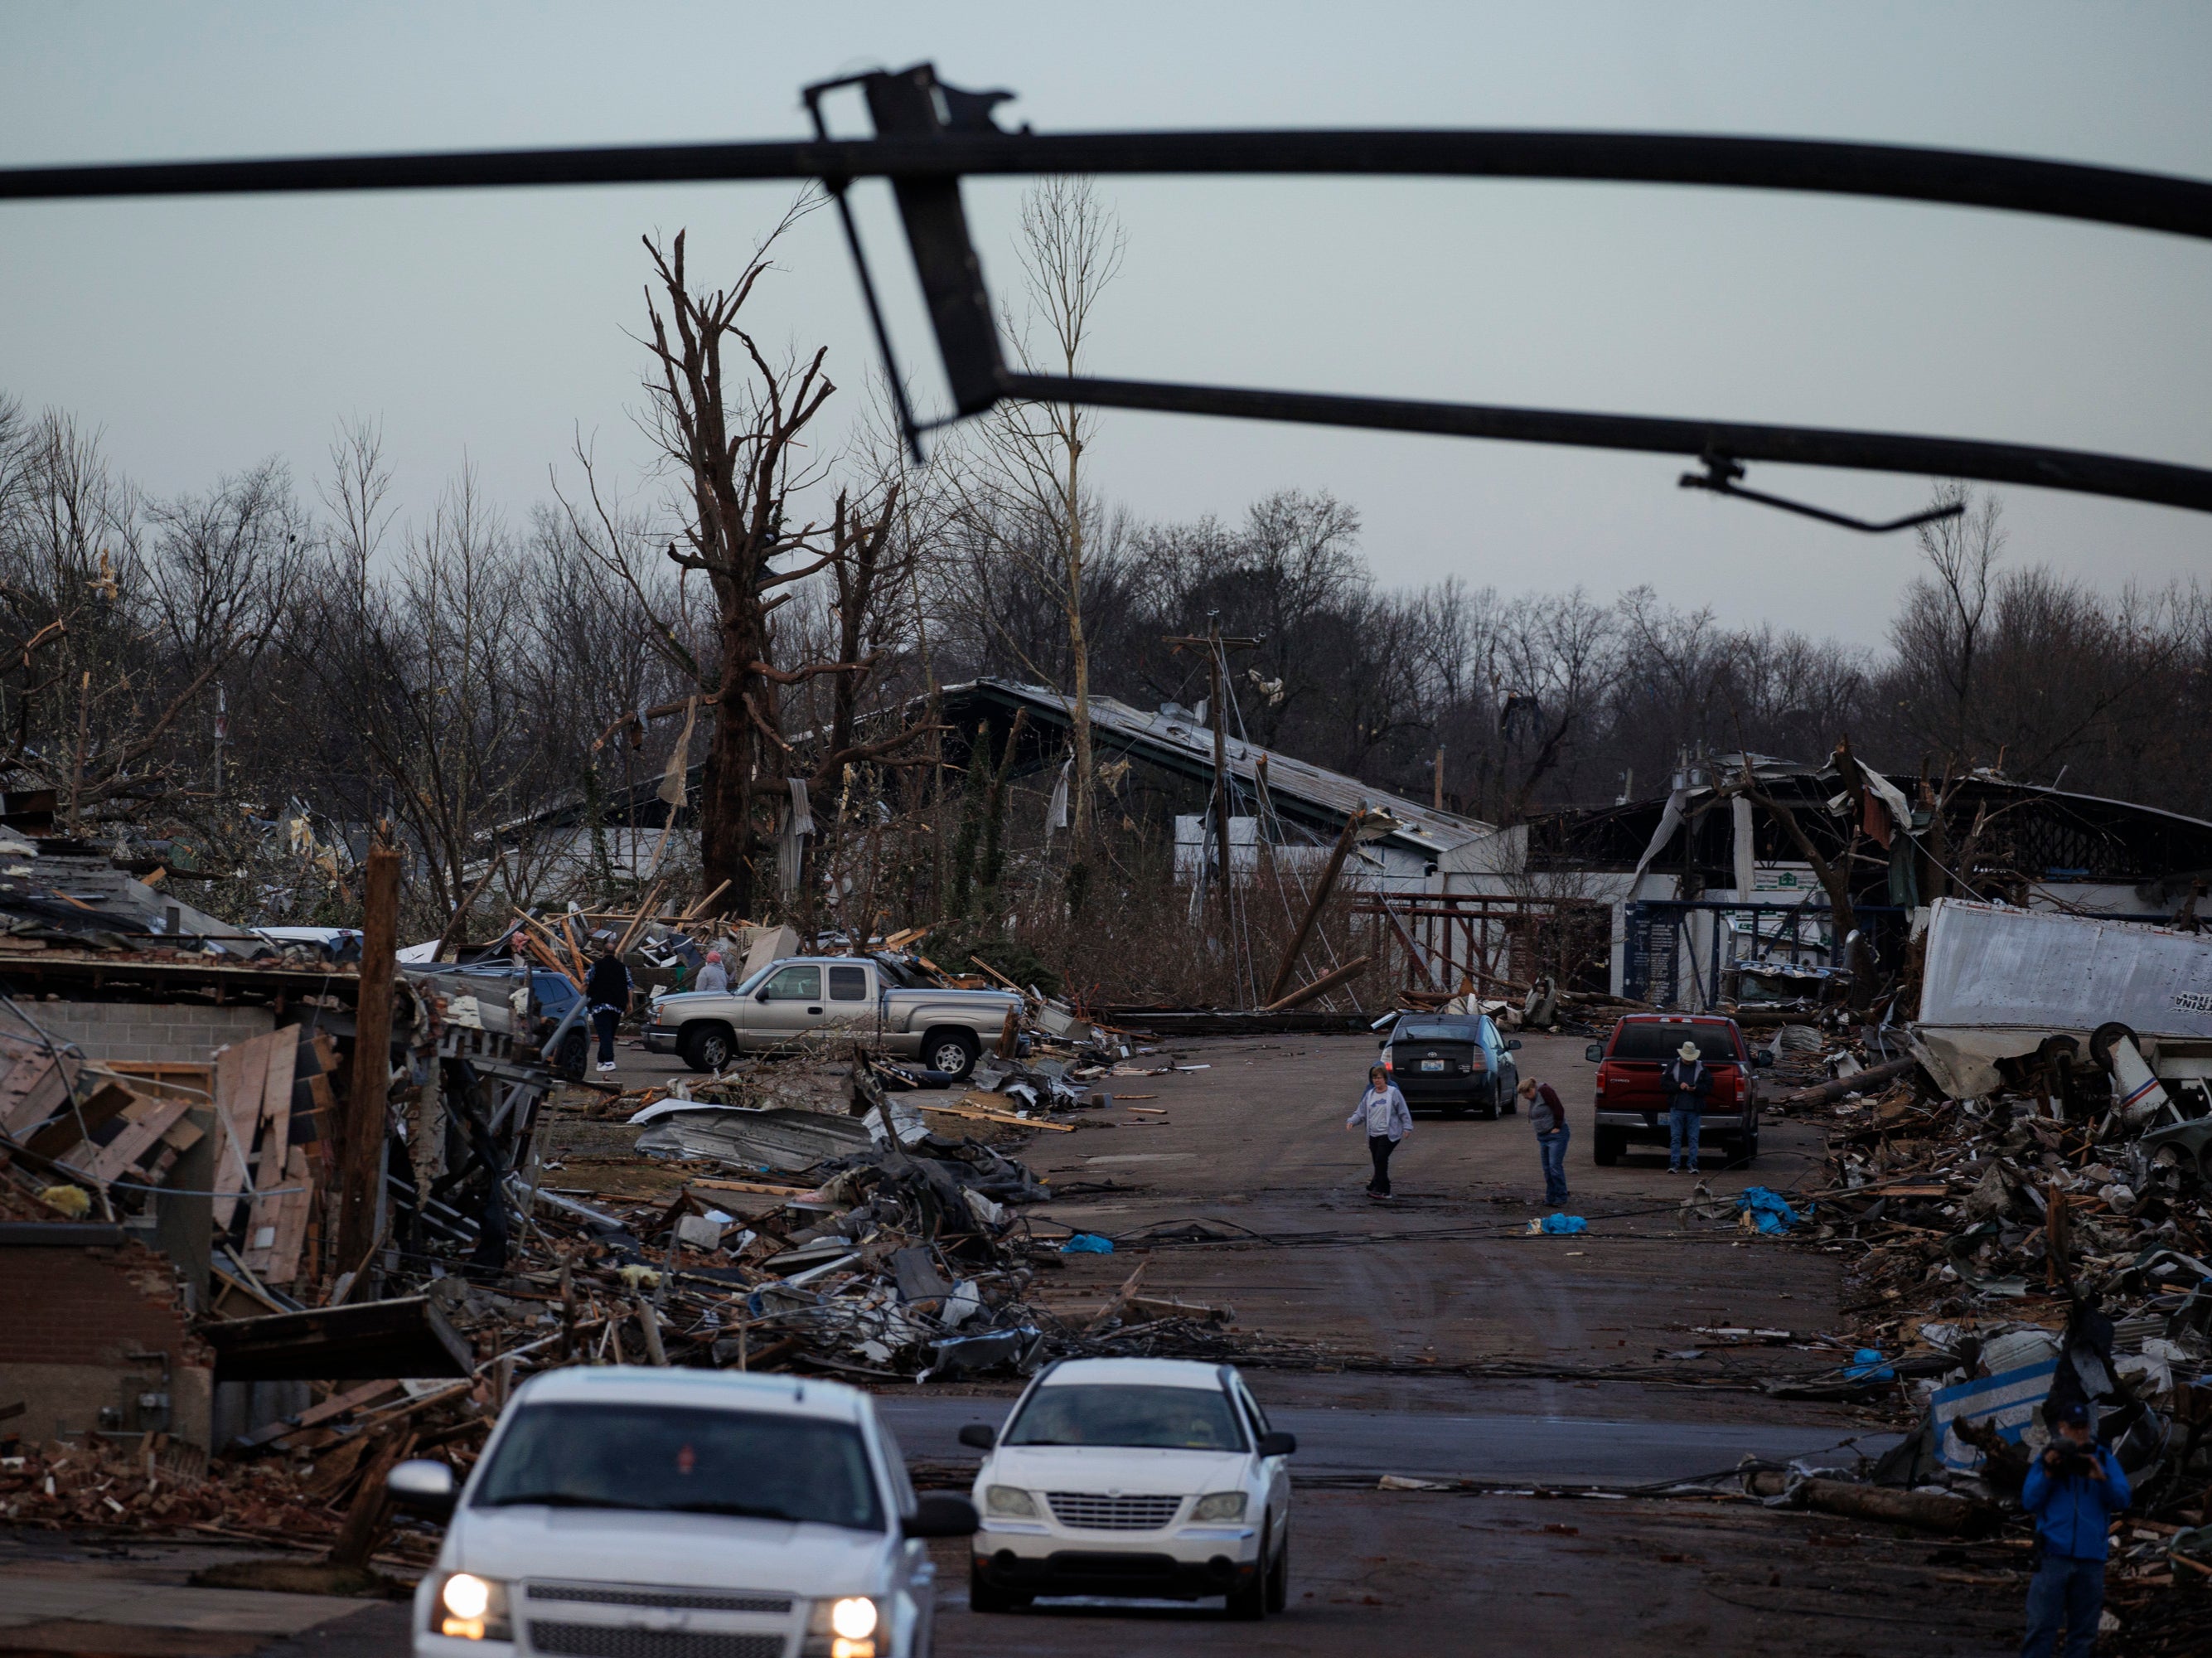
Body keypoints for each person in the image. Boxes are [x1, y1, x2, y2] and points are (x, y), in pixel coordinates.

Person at [2020, 1399, 2130, 1658]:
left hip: (2091, 1558)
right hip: (2053, 1555)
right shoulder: (2048, 1459)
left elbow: (2123, 1499)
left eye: (2083, 1426)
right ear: (2062, 1428)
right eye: (2074, 1427)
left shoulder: (2103, 1458)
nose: (2079, 1432)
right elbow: (2029, 1501)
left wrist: (2101, 1478)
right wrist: (2049, 1472)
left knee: (2083, 1634)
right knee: (2041, 1627)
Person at [1343, 1063, 1412, 1200]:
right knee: (1378, 1161)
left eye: (1379, 1078)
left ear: (1385, 1079)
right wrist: (1352, 1121)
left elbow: (1403, 1111)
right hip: (1373, 1134)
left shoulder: (1393, 1093)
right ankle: (1379, 1186)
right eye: (1374, 1078)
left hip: (1389, 1133)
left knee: (1381, 1159)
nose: (1377, 1080)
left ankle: (1383, 1190)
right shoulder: (1369, 1095)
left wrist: (1407, 1127)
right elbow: (1361, 1112)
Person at [1661, 1039, 1711, 1173]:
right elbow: (1664, 1084)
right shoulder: (1673, 1066)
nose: (1688, 1061)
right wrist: (1679, 1086)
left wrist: (1696, 1089)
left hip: (1694, 1109)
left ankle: (1693, 1164)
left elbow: (1708, 1086)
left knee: (1693, 1138)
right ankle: (1674, 1164)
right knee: (1676, 1137)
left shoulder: (1701, 1067)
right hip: (1677, 1107)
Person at [583, 940, 633, 1075]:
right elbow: (629, 986)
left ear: (603, 952)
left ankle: (609, 1061)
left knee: (604, 1034)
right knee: (609, 1034)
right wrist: (630, 1003)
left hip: (600, 1005)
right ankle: (601, 1061)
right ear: (615, 953)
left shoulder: (596, 966)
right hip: (617, 1006)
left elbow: (587, 982)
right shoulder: (623, 967)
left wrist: (581, 995)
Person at [1520, 1077, 1570, 1207]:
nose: (1525, 1098)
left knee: (1554, 1166)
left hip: (1556, 1135)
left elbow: (1558, 1108)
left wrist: (1557, 1126)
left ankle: (1561, 1196)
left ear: (1531, 1089)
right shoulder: (1533, 1097)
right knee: (1547, 1169)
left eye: (1526, 1094)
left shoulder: (1545, 1091)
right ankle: (1551, 1196)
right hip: (1543, 1136)